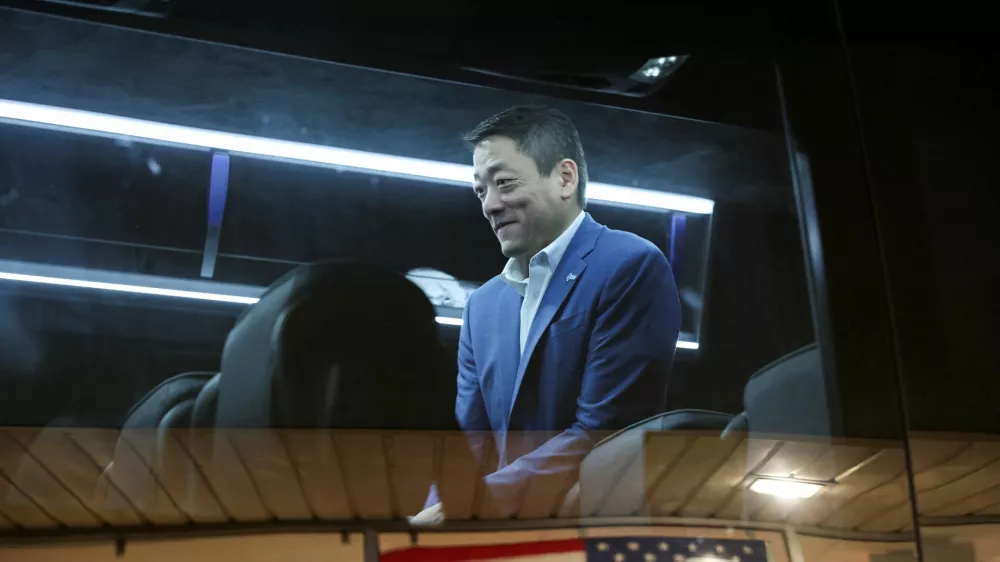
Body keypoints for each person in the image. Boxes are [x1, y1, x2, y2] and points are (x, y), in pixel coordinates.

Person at [412, 105, 680, 524]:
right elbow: (469, 441)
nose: (489, 205)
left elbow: (602, 431)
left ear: (565, 178)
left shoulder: (629, 265)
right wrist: (424, 518)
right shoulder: (482, 305)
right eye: (480, 191)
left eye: (503, 182)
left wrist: (466, 510)